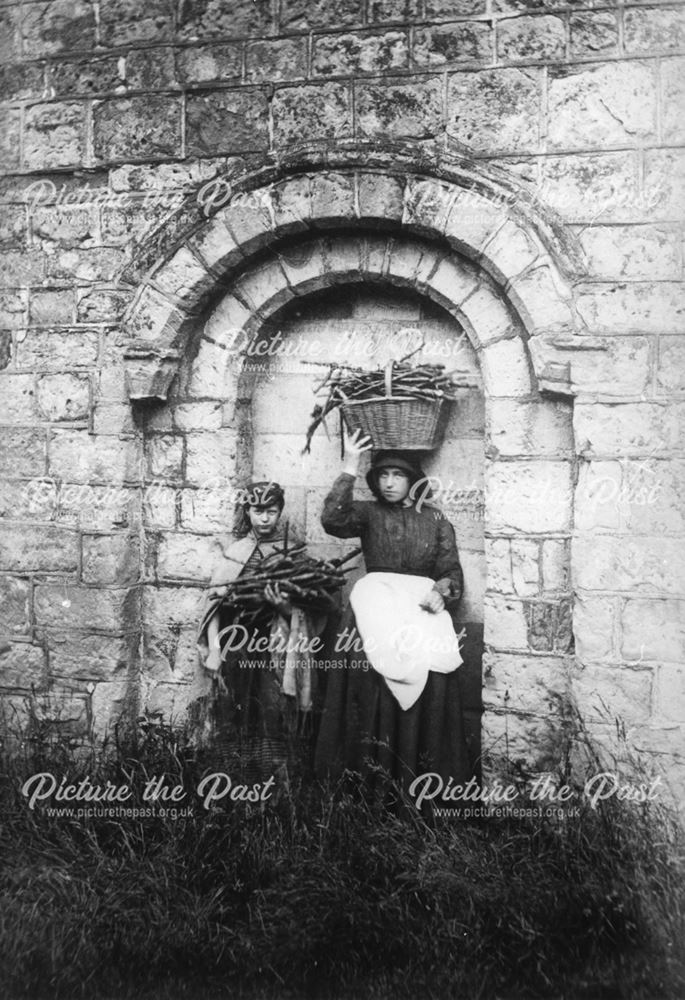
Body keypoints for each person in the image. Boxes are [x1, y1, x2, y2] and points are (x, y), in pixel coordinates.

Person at [314, 430, 472, 801]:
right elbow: (332, 520)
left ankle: (419, 783)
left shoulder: (435, 521)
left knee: (430, 674)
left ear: (413, 481)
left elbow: (452, 571)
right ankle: (366, 785)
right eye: (382, 476)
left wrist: (442, 592)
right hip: (375, 607)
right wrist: (350, 464)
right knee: (372, 681)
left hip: (419, 609)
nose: (389, 483)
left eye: (397, 476)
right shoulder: (367, 515)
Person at [197, 481, 324, 782]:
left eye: (271, 511)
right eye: (258, 511)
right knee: (233, 707)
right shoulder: (236, 552)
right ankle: (232, 780)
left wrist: (284, 609)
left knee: (274, 707)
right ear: (248, 512)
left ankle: (276, 783)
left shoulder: (294, 554)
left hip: (276, 642)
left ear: (280, 512)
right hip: (237, 641)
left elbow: (314, 609)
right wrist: (215, 649)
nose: (264, 518)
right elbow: (215, 604)